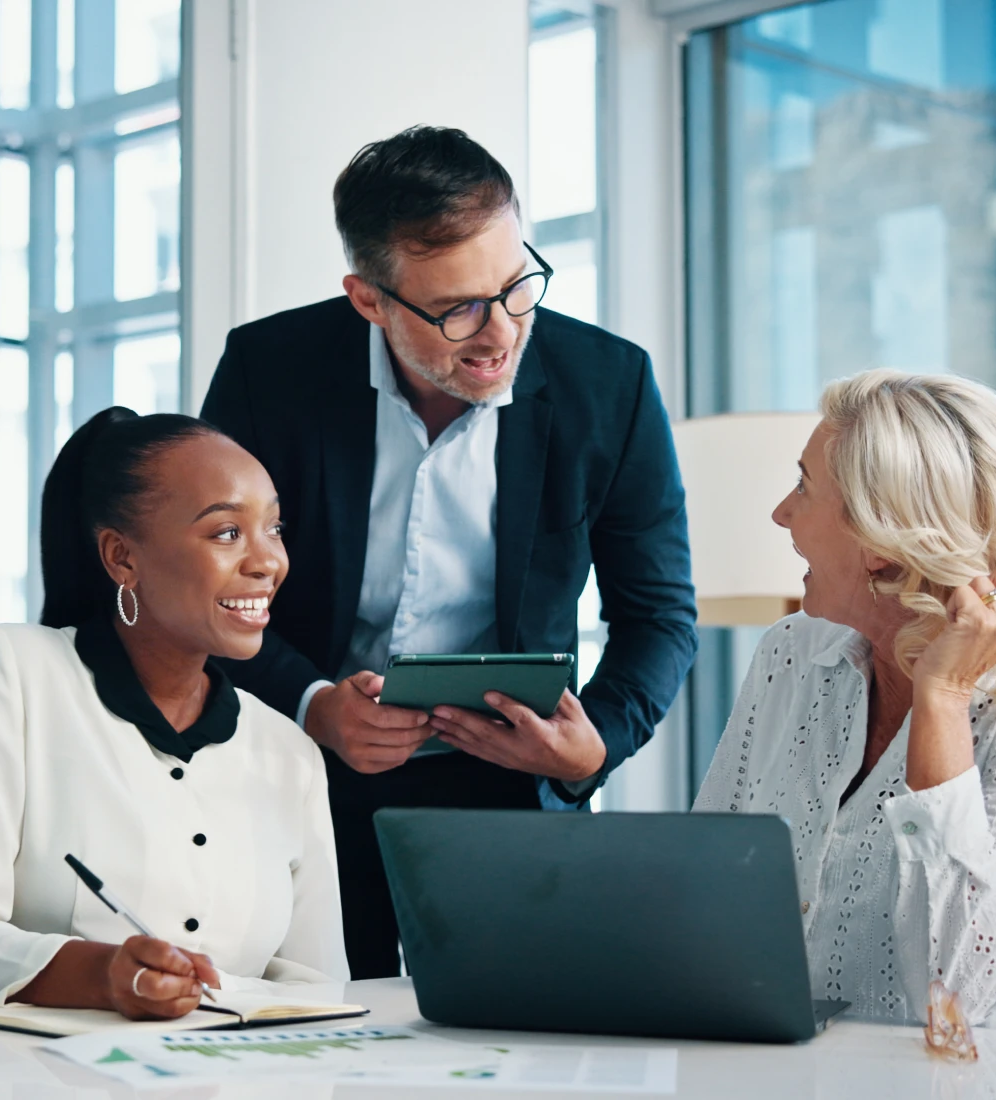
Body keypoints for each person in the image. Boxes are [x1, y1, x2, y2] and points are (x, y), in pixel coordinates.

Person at [200, 125, 698, 978]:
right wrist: (314, 700)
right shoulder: (269, 369)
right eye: (458, 308)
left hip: (512, 786)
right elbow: (210, 588)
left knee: (516, 1047)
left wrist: (596, 746)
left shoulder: (607, 384)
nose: (501, 333)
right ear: (369, 299)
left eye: (516, 287)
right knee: (318, 1043)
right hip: (303, 774)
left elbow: (659, 616)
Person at [694, 370, 996, 1034]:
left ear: (880, 544)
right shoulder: (790, 653)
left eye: (804, 487)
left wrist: (944, 699)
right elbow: (699, 891)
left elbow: (967, 997)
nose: (782, 512)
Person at [0, 408, 349, 1016]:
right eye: (227, 533)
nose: (268, 562)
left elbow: (322, 989)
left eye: (274, 528)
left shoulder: (287, 749)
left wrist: (206, 994)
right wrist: (104, 974)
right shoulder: (15, 673)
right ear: (121, 558)